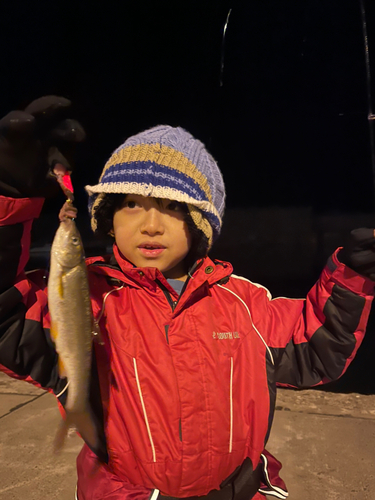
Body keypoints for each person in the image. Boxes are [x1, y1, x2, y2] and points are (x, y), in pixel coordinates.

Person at [0, 96, 375, 500]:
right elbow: (7, 316)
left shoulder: (245, 303)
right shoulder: (91, 296)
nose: (150, 225)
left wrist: (355, 277)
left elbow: (318, 346)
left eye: (171, 207)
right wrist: (8, 200)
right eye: (130, 204)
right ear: (108, 218)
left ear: (199, 221)